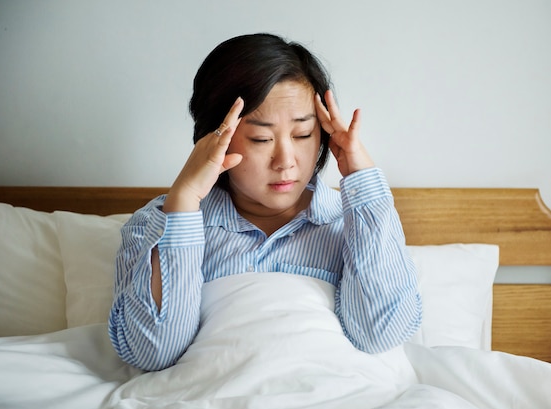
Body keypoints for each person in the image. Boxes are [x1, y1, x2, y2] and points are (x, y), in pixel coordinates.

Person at [108, 33, 422, 372]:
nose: (286, 161)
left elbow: (380, 333)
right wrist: (183, 203)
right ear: (213, 138)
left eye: (303, 135)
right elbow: (152, 353)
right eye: (261, 138)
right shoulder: (157, 224)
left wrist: (363, 180)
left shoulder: (353, 224)